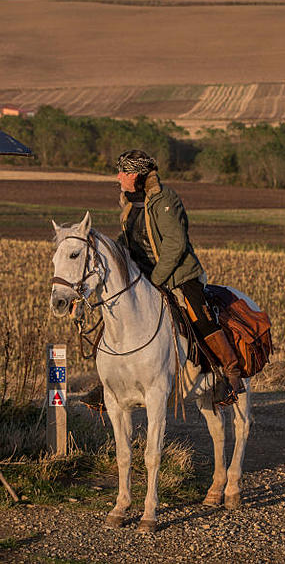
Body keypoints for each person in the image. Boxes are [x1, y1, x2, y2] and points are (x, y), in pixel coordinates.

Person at [115, 149, 245, 405]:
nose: (118, 177)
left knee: (199, 316)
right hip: (142, 275)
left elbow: (176, 244)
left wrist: (156, 279)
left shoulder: (165, 200)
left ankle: (230, 374)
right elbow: (127, 240)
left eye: (125, 172)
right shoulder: (129, 203)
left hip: (177, 275)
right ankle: (112, 380)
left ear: (139, 176)